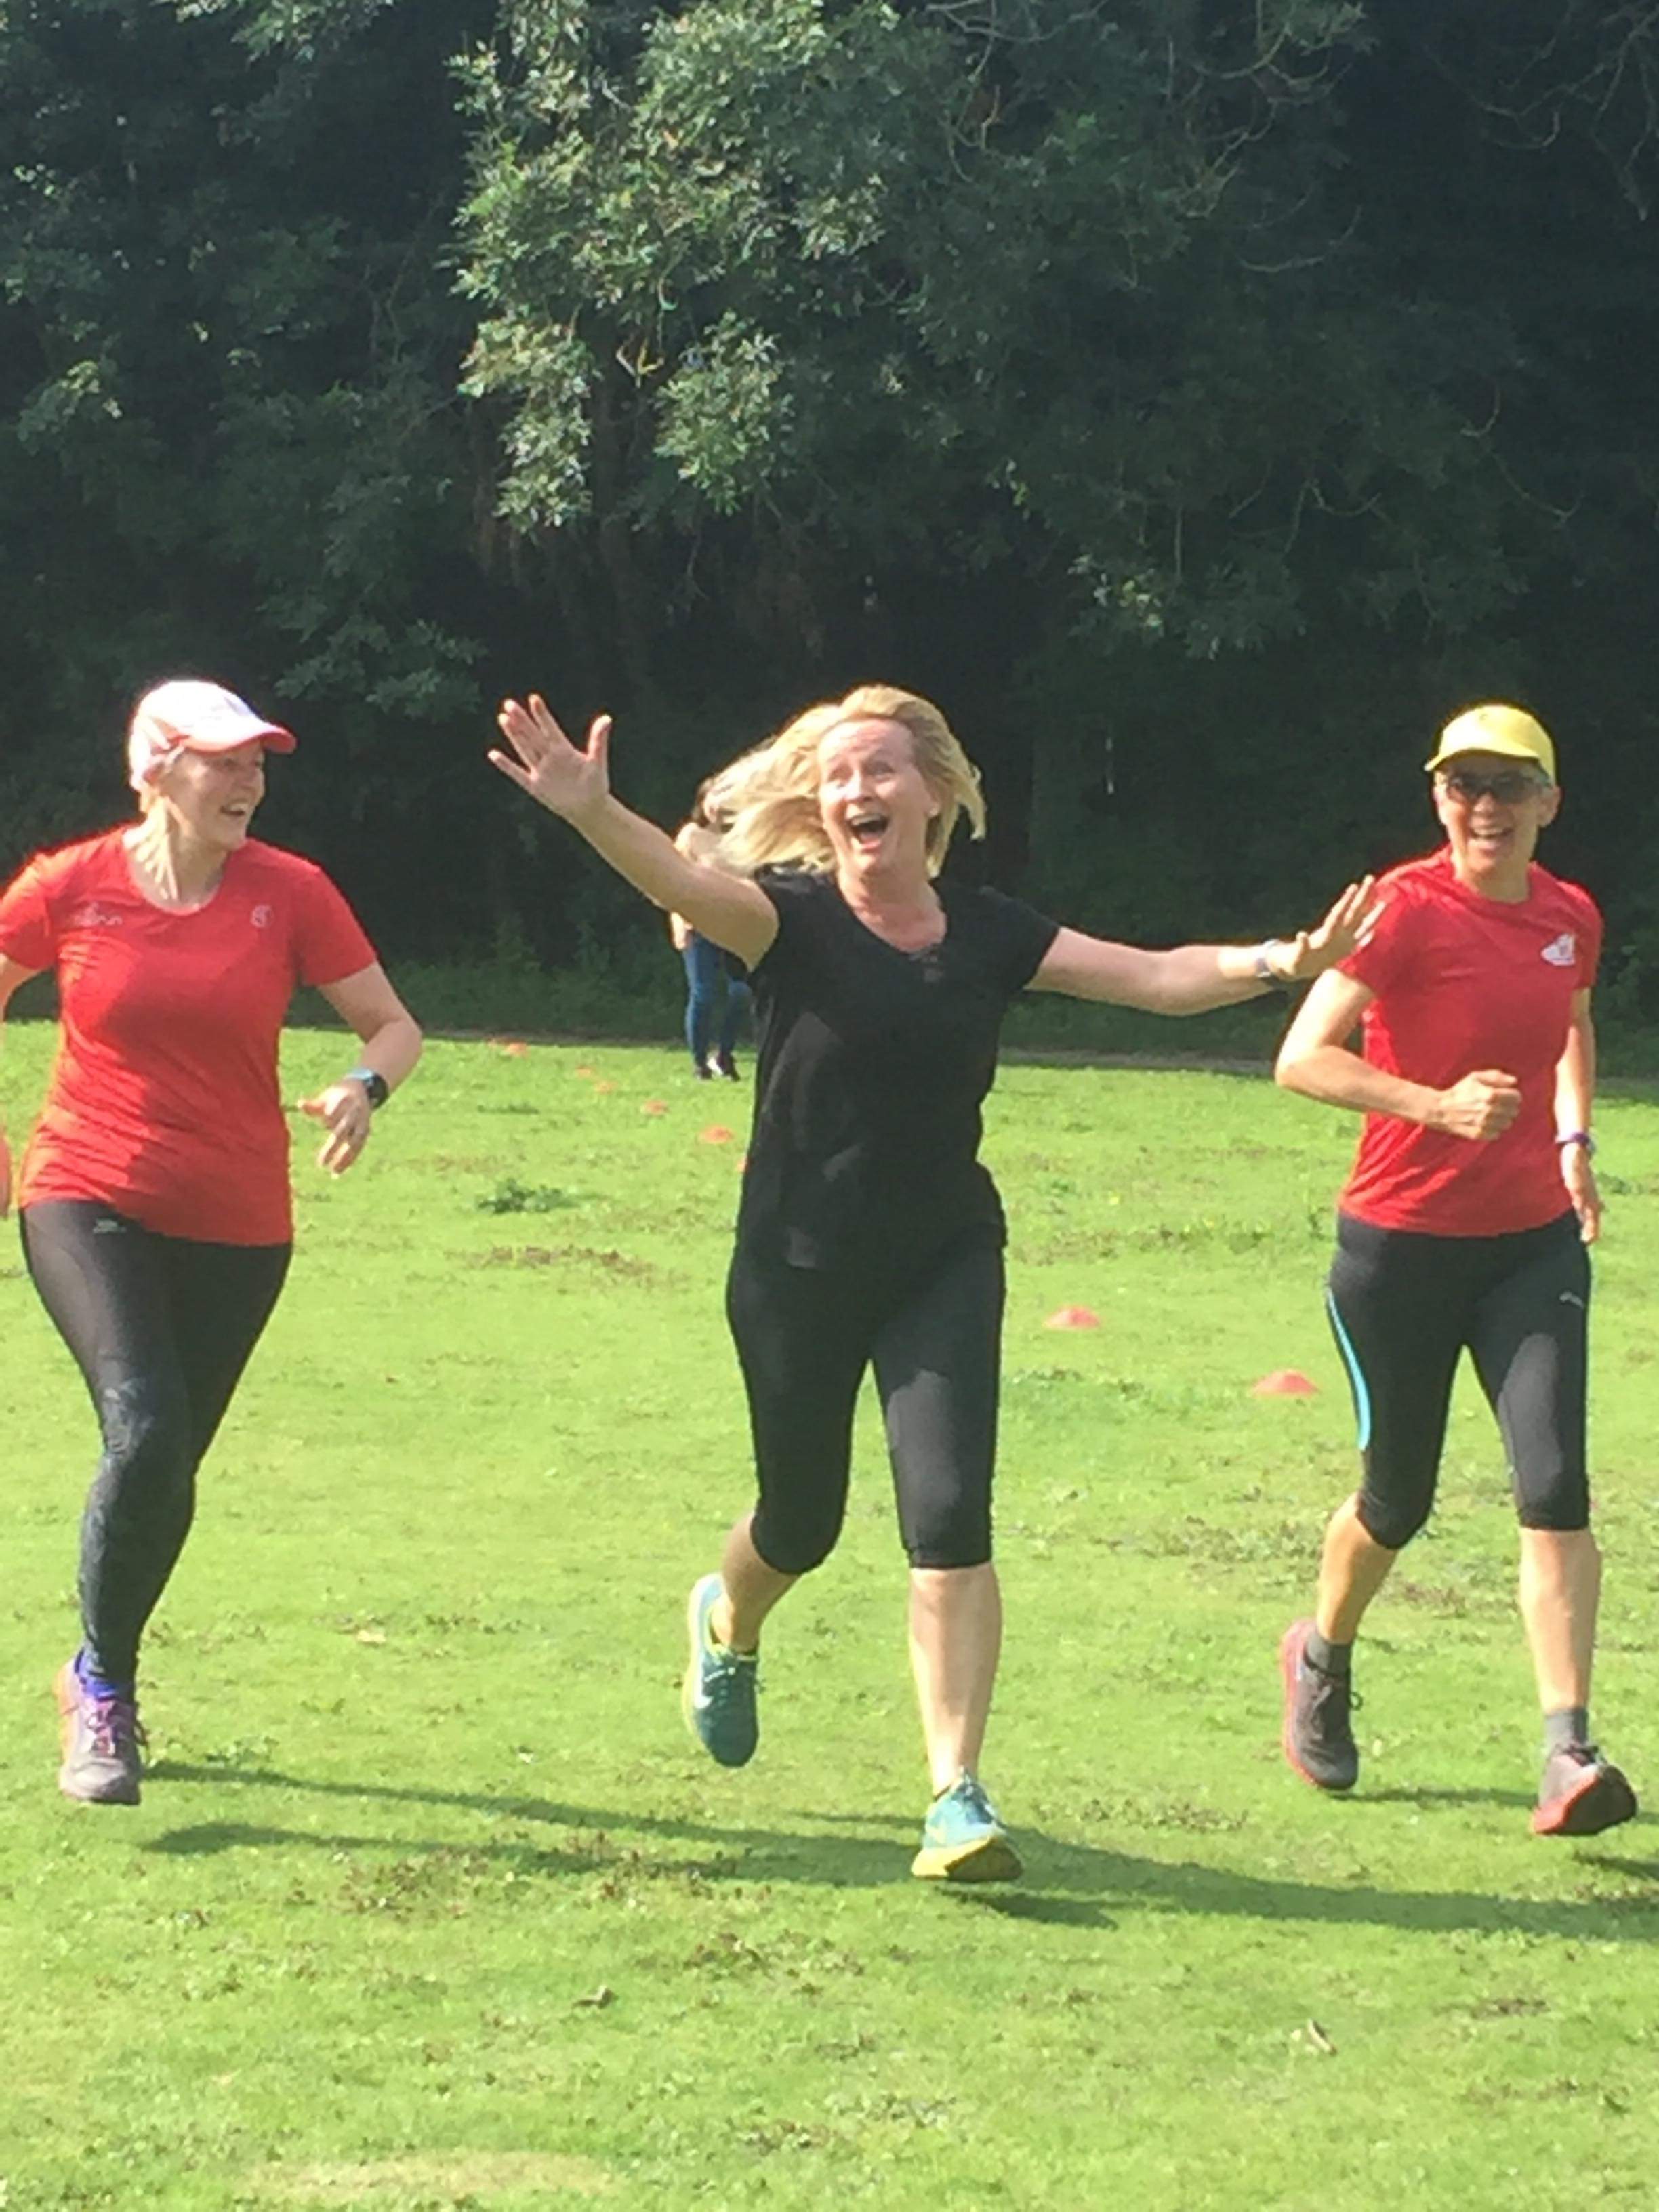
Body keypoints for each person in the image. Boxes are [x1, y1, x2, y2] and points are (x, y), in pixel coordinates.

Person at [490, 682, 1373, 1882]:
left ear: (936, 794)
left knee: (949, 1516)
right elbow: (676, 883)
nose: (860, 791)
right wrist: (592, 811)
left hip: (942, 1257)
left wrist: (1283, 958)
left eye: (883, 771)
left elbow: (1153, 977)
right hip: (795, 1265)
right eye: (840, 775)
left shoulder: (990, 930)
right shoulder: (783, 920)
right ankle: (726, 1618)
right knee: (798, 1521)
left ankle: (954, 1793)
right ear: (820, 801)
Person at [0, 679, 422, 1806]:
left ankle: (91, 1663)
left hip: (240, 1220)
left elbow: (393, 1021)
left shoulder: (290, 893)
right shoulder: (71, 886)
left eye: (258, 763)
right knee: (143, 1427)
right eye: (224, 761)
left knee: (166, 1468)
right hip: (83, 1186)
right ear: (158, 769)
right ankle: (107, 1697)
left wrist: (362, 1082)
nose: (249, 781)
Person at [1274, 703, 1633, 1838]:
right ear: (1438, 799)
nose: (1482, 805)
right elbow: (1299, 1056)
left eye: (1505, 785)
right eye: (1461, 785)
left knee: (1554, 1484)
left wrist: (1572, 1139)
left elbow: (1570, 1026)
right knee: (1397, 1498)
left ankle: (1566, 1750)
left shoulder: (1569, 913)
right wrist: (1432, 1104)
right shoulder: (1402, 909)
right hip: (1395, 1247)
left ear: (1546, 801)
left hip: (1529, 1245)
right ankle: (1319, 1653)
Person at [670, 781, 752, 1080]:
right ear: (703, 802)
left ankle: (725, 1054)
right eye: (713, 798)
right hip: (698, 926)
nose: (718, 805)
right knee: (703, 994)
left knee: (741, 993)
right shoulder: (691, 836)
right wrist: (680, 922)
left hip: (732, 926)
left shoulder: (740, 840)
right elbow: (673, 879)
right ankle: (699, 1062)